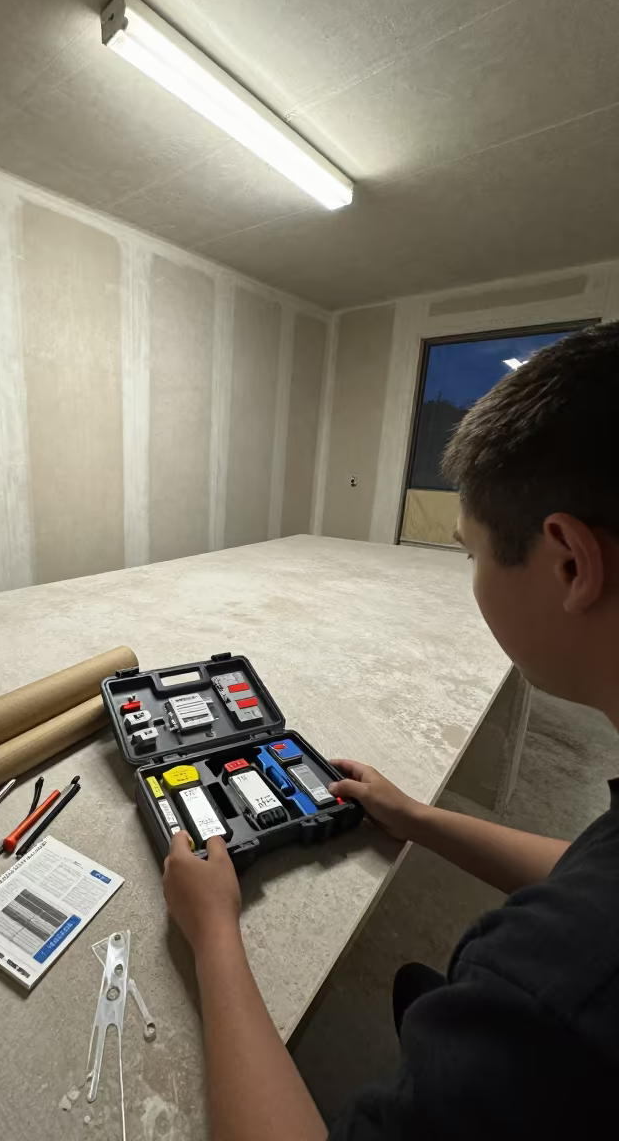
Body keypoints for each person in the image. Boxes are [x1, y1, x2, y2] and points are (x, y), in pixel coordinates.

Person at [163, 320, 619, 1140]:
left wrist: (215, 938)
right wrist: (419, 819)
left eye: (470, 553)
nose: (470, 575)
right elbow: (594, 864)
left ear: (570, 565)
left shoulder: (545, 995)